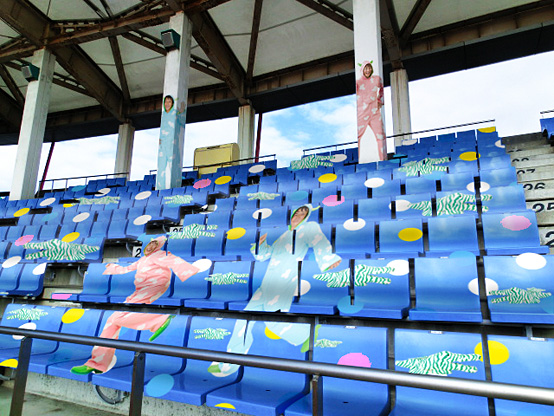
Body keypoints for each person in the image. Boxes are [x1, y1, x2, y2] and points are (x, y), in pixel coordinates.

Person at [208, 204, 341, 376]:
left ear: (307, 217)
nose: (298, 215)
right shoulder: (283, 234)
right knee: (244, 319)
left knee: (273, 319)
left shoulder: (309, 227)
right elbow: (264, 256)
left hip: (285, 279)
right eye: (297, 212)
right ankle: (230, 362)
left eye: (303, 213)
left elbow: (319, 241)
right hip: (268, 281)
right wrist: (261, 245)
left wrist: (329, 260)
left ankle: (307, 333)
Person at [71, 236, 200, 375]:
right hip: (140, 291)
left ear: (158, 246)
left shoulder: (159, 255)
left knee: (115, 319)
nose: (150, 247)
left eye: (154, 244)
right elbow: (128, 268)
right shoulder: (143, 259)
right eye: (149, 244)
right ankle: (98, 362)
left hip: (152, 287)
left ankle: (159, 320)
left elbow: (174, 260)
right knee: (112, 321)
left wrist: (191, 271)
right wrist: (112, 268)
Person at [356, 60, 386, 161]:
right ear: (362, 70)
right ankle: (356, 162)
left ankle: (383, 160)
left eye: (369, 68)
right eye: (365, 68)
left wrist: (380, 100)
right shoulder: (358, 82)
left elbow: (382, 88)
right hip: (362, 114)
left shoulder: (376, 79)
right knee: (357, 137)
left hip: (374, 113)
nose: (367, 70)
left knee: (381, 136)